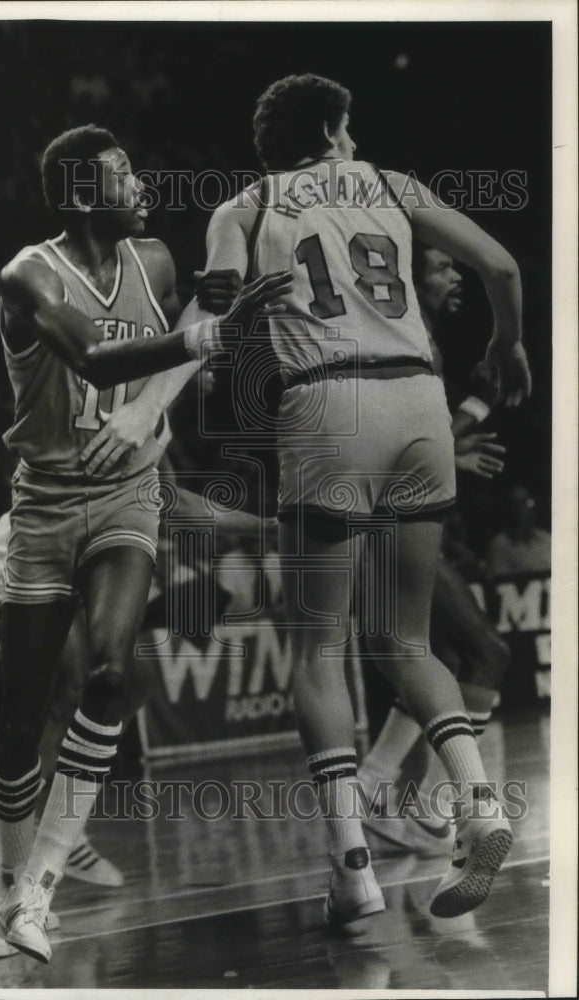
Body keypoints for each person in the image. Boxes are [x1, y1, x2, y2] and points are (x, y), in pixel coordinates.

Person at [195, 73, 531, 927]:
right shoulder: (386, 181)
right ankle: (481, 806)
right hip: (419, 399)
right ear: (337, 129)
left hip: (329, 403)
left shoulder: (243, 205)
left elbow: (212, 321)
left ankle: (352, 869)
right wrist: (509, 346)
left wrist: (227, 330)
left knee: (319, 648)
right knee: (404, 638)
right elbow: (500, 262)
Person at [0, 124, 289, 962]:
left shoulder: (153, 261)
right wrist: (200, 340)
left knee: (115, 675)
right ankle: (5, 893)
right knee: (19, 723)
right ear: (83, 193)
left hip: (124, 500)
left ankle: (38, 890)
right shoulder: (28, 274)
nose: (139, 184)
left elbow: (200, 310)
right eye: (121, 176)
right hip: (43, 508)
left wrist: (171, 383)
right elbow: (93, 357)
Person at [357, 245, 512, 855]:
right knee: (487, 654)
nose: (457, 280)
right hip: (392, 517)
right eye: (445, 267)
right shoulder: (411, 338)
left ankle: (374, 788)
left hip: (393, 513)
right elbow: (411, 444)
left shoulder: (407, 336)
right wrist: (478, 404)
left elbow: (421, 438)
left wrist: (458, 442)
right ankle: (431, 808)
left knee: (441, 657)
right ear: (409, 276)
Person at [486, 484, 551, 576]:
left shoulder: (546, 539)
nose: (522, 509)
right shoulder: (500, 545)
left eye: (527, 502)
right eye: (516, 504)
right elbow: (502, 582)